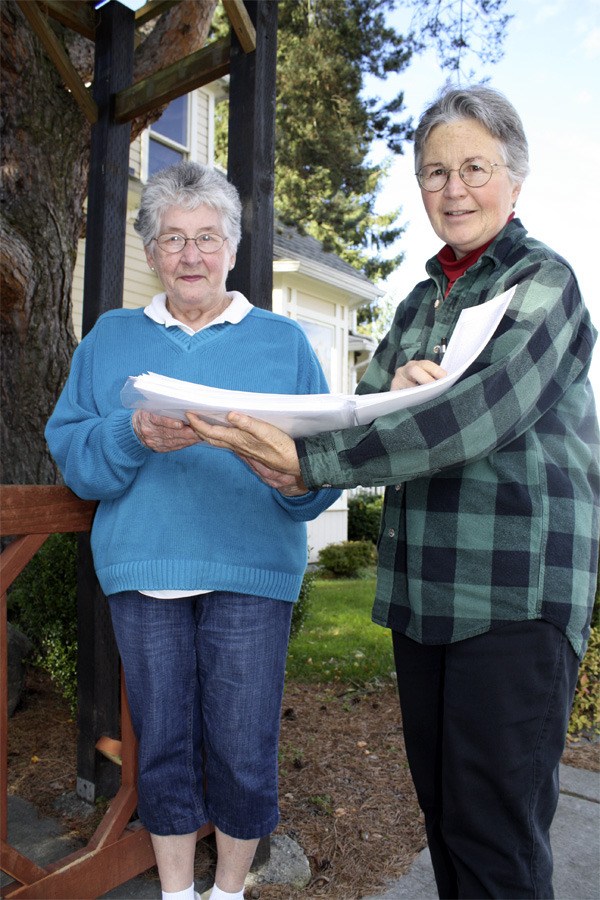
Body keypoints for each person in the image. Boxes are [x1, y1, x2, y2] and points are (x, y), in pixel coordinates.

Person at [185, 86, 600, 899]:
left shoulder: (544, 283)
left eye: (474, 168)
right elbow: (362, 406)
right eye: (435, 172)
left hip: (514, 595)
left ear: (515, 178)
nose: (454, 189)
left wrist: (316, 460)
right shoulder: (418, 301)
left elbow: (477, 416)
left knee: (496, 838)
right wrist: (379, 398)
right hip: (423, 596)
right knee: (448, 823)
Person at [45, 161, 340, 900]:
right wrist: (134, 433)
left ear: (232, 248)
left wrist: (293, 475)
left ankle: (230, 891)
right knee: (163, 748)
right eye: (173, 238)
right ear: (151, 253)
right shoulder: (110, 338)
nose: (191, 255)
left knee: (243, 747)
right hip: (144, 570)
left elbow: (323, 468)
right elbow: (74, 456)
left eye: (207, 237)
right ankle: (178, 893)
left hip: (252, 572)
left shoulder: (283, 343)